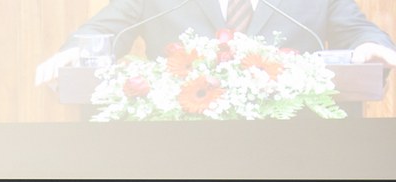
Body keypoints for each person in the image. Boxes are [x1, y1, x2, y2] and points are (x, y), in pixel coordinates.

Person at [36, 0, 396, 85]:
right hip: (176, 161)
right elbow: (105, 30)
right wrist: (75, 53)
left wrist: (373, 46)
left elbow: (358, 32)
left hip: (297, 158)